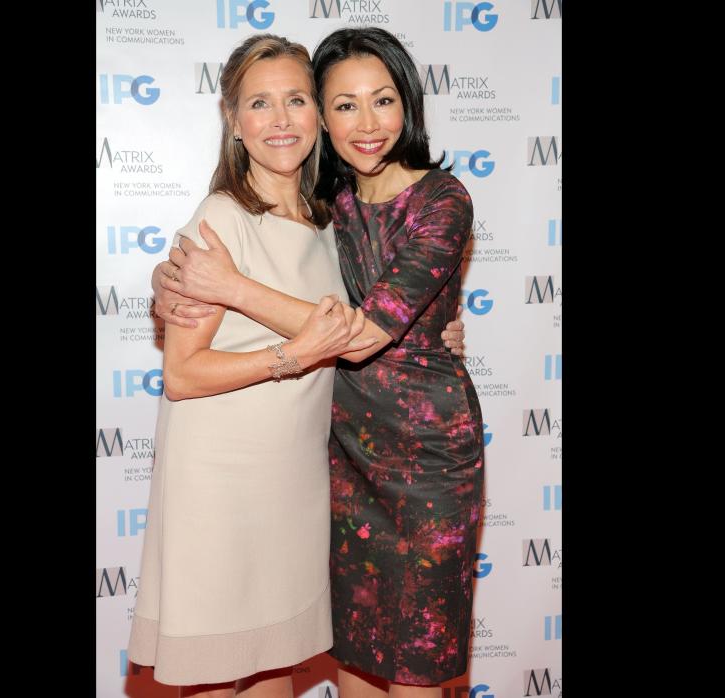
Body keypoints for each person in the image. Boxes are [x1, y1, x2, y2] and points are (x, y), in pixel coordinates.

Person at [155, 27, 484, 697]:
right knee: (355, 660)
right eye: (343, 104)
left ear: (409, 104)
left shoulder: (442, 200)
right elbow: (244, 259)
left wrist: (231, 287)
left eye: (383, 100)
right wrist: (169, 284)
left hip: (427, 467)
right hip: (336, 464)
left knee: (417, 666)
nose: (366, 123)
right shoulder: (325, 207)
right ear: (324, 118)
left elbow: (361, 336)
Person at [126, 34, 379, 697]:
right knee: (217, 675)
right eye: (260, 104)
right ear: (234, 122)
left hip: (292, 484)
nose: (280, 120)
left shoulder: (327, 222)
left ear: (319, 115)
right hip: (221, 487)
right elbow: (182, 375)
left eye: (296, 100)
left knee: (271, 672)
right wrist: (289, 357)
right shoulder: (221, 219)